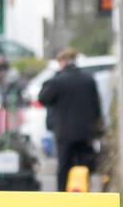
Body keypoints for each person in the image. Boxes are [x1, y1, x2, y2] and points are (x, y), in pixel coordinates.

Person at [37, 47, 103, 192]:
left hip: (65, 132)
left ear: (64, 61)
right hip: (86, 131)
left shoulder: (58, 81)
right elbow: (96, 106)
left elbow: (43, 98)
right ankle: (84, 191)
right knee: (84, 166)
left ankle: (63, 196)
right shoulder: (88, 79)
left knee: (64, 167)